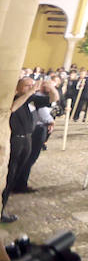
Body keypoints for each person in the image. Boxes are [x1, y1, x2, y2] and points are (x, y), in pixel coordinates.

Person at [2, 77, 54, 222]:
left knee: (17, 173)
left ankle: (5, 203)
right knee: (8, 174)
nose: (30, 88)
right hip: (15, 140)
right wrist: (29, 92)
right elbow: (12, 108)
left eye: (32, 85)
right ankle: (1, 211)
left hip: (28, 139)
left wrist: (52, 88)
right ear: (18, 88)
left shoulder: (33, 99)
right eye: (27, 86)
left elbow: (53, 98)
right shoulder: (12, 98)